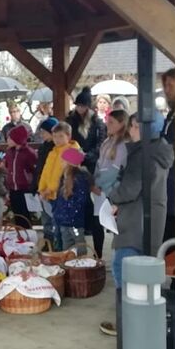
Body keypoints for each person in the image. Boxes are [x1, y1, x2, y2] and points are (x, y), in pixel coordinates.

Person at [101, 113, 175, 338]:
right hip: (149, 217)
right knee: (141, 275)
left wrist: (111, 197)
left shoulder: (143, 155)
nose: (130, 131)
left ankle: (128, 326)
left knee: (124, 270)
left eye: (133, 126)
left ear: (143, 129)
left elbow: (130, 189)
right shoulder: (159, 151)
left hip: (136, 221)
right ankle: (138, 325)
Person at [66, 87, 107, 257]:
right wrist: (77, 158)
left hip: (94, 169)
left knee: (97, 215)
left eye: (83, 106)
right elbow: (67, 144)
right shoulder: (70, 121)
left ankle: (98, 253)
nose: (79, 109)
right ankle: (78, 251)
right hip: (75, 169)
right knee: (78, 212)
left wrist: (86, 156)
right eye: (78, 106)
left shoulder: (97, 123)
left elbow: (101, 145)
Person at [53, 147, 90, 251]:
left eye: (63, 160)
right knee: (67, 249)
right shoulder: (63, 178)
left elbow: (81, 200)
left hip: (75, 222)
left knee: (79, 247)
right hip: (63, 221)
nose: (61, 163)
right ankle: (68, 261)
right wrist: (57, 213)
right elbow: (59, 200)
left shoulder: (79, 179)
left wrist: (72, 216)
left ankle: (82, 261)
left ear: (69, 162)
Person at [4, 124, 37, 229]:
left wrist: (32, 185)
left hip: (25, 188)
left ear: (17, 139)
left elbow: (34, 170)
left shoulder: (29, 153)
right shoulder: (9, 152)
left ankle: (27, 232)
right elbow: (8, 167)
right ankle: (19, 233)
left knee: (25, 213)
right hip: (13, 188)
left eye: (10, 138)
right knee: (16, 213)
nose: (7, 140)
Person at [32, 117, 59, 246]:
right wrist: (35, 184)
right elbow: (40, 168)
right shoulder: (44, 147)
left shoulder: (64, 148)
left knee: (56, 218)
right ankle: (48, 242)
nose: (41, 134)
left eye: (44, 132)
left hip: (56, 189)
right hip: (44, 188)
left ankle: (58, 243)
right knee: (46, 217)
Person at [93, 109, 129, 198]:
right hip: (100, 189)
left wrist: (100, 185)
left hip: (111, 191)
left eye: (111, 122)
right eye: (107, 121)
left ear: (121, 124)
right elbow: (99, 164)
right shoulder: (107, 142)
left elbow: (114, 172)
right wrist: (95, 183)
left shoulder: (122, 146)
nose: (107, 124)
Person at [160, 68, 175, 242]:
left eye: (170, 85)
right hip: (168, 181)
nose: (166, 90)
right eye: (165, 86)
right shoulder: (172, 114)